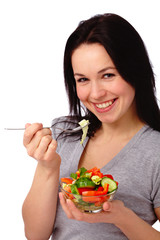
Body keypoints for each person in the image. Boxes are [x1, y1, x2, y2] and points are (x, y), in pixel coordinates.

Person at [22, 13, 160, 240]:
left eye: (107, 75)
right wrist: (47, 168)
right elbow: (35, 235)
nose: (95, 94)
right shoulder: (64, 133)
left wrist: (121, 216)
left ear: (135, 71)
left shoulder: (155, 151)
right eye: (83, 79)